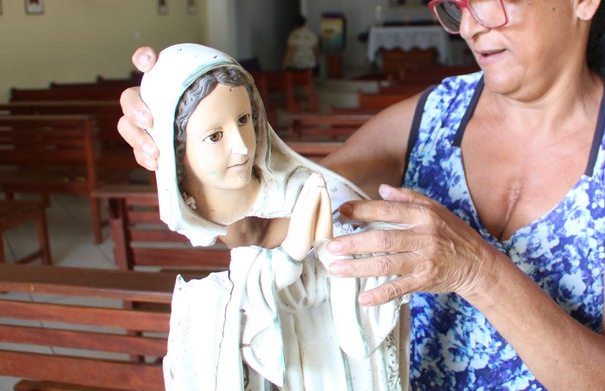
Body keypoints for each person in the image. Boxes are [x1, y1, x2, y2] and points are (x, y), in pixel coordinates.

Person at [119, 0, 605, 390]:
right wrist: (189, 147)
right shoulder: (428, 119)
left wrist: (476, 269)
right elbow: (273, 217)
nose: (470, 26)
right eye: (460, 0)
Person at [140, 43, 408, 390]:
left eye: (244, 120)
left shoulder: (297, 186)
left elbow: (328, 260)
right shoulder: (211, 214)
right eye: (215, 136)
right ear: (179, 152)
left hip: (330, 353)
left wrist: (324, 247)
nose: (240, 146)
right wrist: (288, 255)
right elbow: (246, 294)